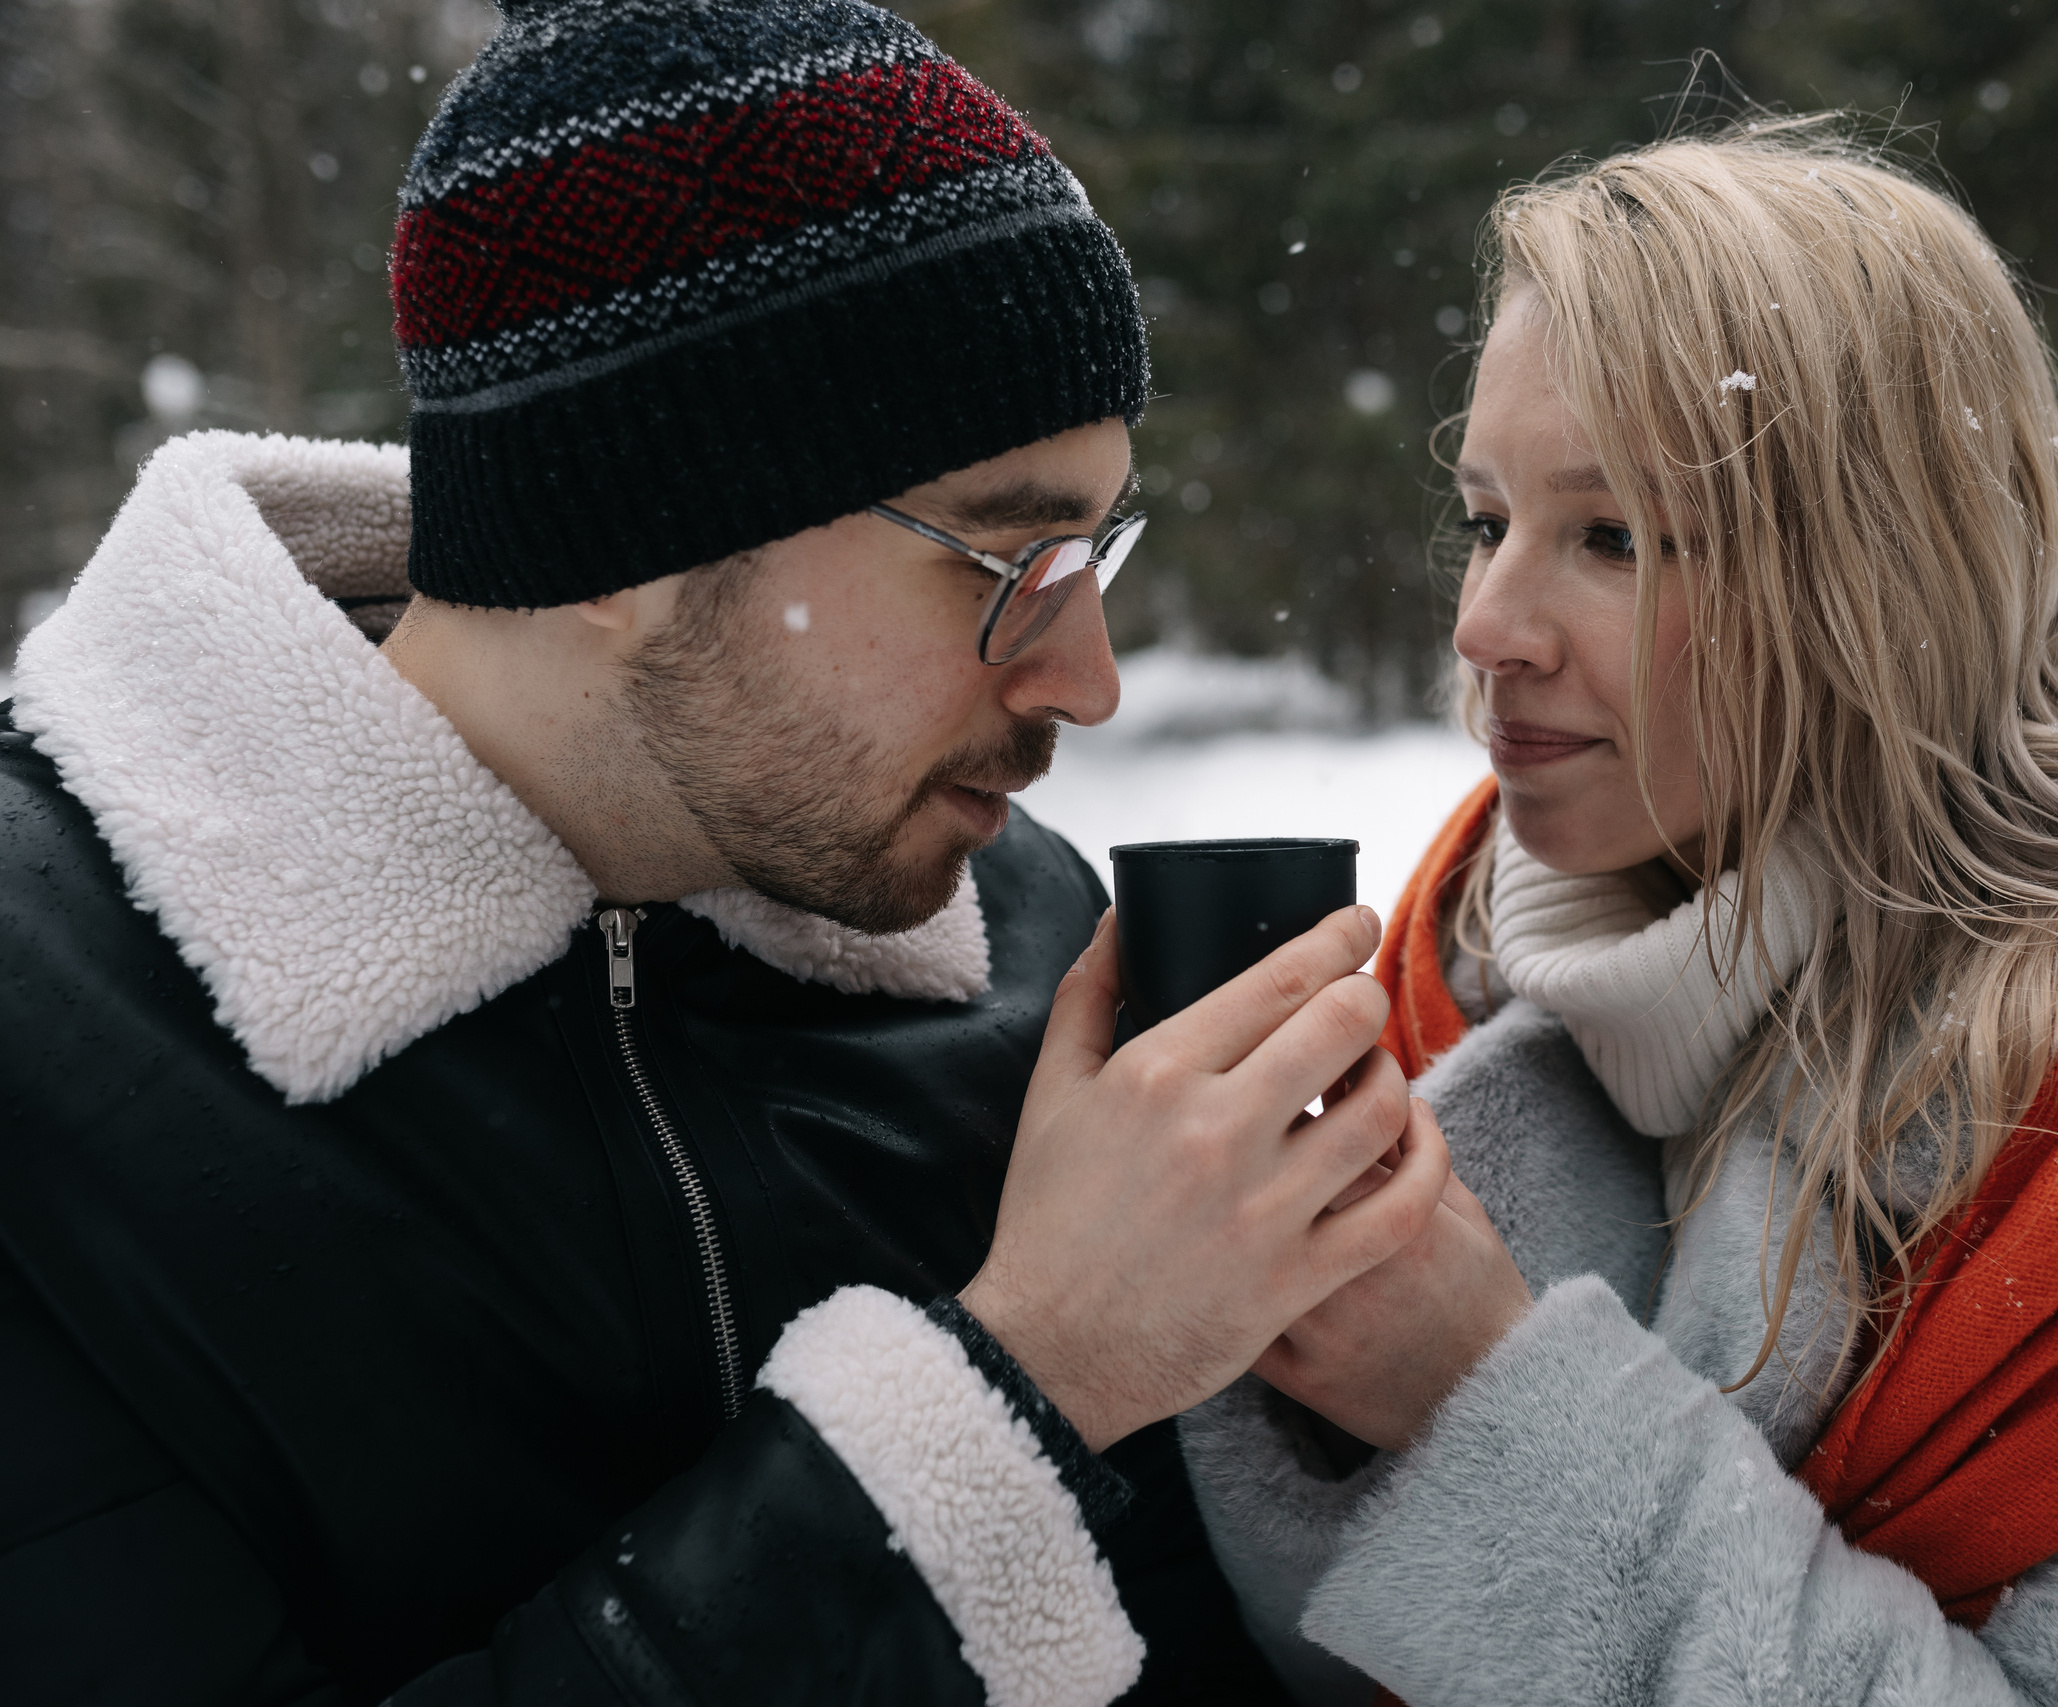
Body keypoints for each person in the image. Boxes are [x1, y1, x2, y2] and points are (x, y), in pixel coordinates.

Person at [0, 2, 1449, 1702]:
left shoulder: (1019, 929)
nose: (1089, 682)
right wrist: (1034, 1384)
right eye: (1002, 561)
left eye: (1096, 557)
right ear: (622, 529)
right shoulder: (53, 1071)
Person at [1179, 124, 2058, 1706]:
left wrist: (1488, 1405)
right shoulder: (1441, 979)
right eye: (1484, 520)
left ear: (1872, 581)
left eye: (1612, 536)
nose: (1486, 625)